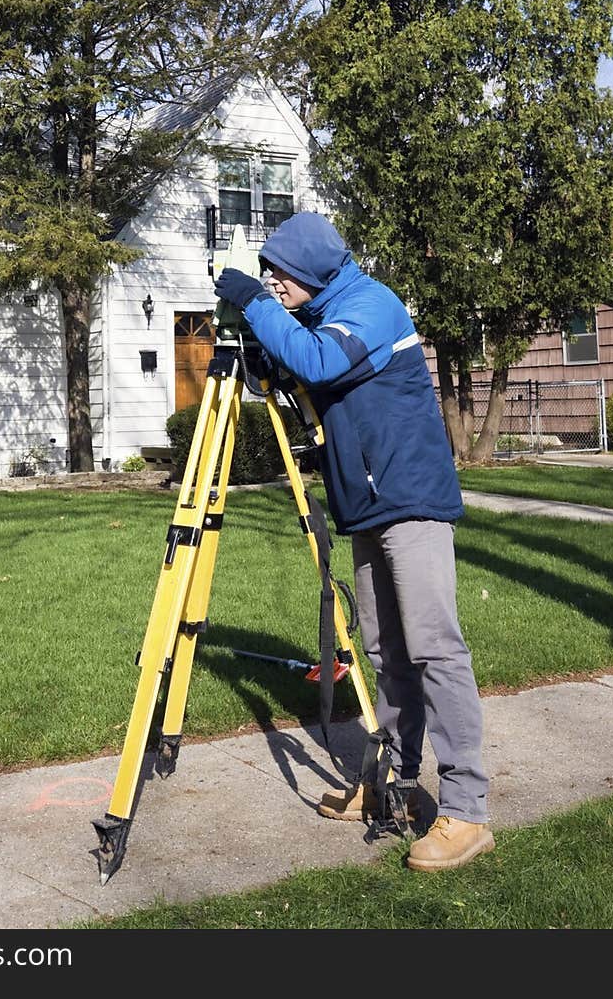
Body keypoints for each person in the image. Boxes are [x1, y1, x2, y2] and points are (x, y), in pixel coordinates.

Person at [213, 210, 493, 871]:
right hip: (368, 505)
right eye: (265, 275)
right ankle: (392, 784)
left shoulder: (370, 307)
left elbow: (319, 360)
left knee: (434, 650)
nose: (271, 282)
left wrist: (253, 305)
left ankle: (467, 810)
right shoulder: (323, 314)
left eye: (279, 272)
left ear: (309, 268)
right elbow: (306, 371)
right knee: (385, 651)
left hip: (412, 500)